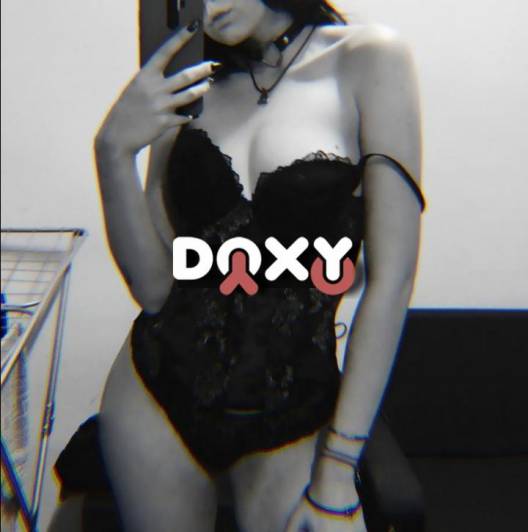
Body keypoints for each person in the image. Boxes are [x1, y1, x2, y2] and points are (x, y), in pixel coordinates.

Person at [53, 1, 425, 531]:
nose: (208, 6)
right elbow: (156, 290)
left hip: (294, 407)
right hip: (157, 397)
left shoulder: (369, 59)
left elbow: (392, 279)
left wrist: (339, 468)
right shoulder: (188, 82)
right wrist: (111, 152)